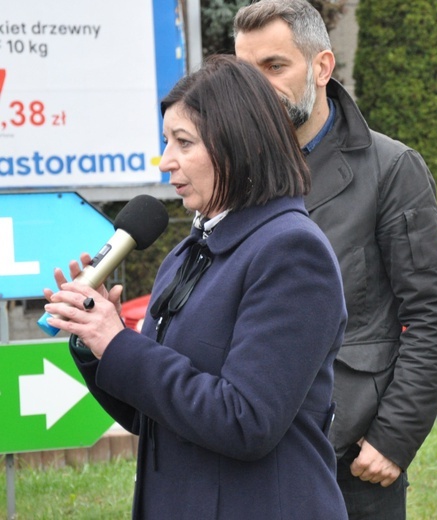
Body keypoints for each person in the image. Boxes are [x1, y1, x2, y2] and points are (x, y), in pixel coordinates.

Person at [42, 55, 349, 520]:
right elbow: (155, 415)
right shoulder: (188, 253)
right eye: (167, 142)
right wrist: (96, 344)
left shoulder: (291, 252)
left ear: (238, 144)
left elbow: (246, 421)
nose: (167, 162)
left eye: (183, 143)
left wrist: (119, 343)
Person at [234, 2, 437, 518]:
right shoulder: (230, 175)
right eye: (246, 72)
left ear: (322, 67)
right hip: (250, 453)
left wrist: (395, 438)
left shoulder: (391, 169)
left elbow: (431, 315)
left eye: (275, 67)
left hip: (349, 462)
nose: (257, 87)